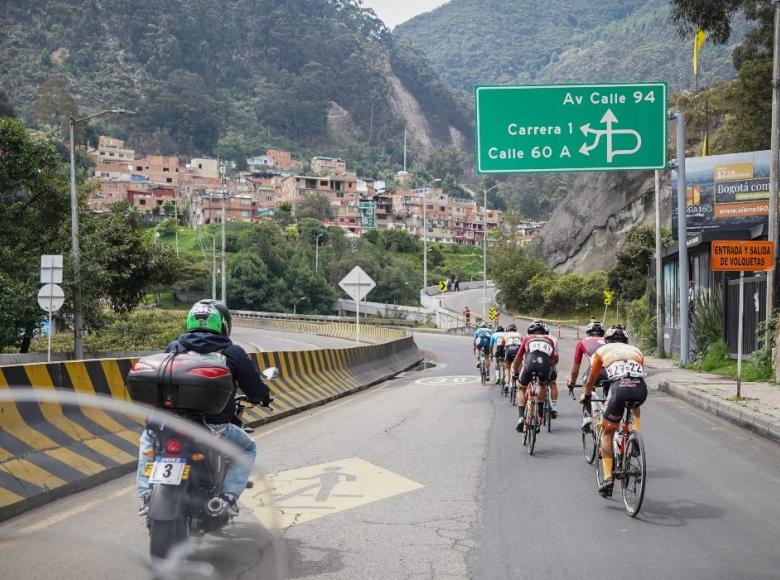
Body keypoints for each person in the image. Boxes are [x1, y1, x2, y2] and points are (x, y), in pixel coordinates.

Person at [136, 300, 272, 516]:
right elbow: (255, 389)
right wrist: (264, 397)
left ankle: (145, 495)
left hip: (170, 422)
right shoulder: (232, 352)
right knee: (247, 448)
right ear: (223, 325)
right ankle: (227, 497)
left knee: (147, 439)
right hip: (214, 427)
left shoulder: (174, 347)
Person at [578, 325, 647, 497]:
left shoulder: (602, 351)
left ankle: (608, 478)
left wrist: (586, 394)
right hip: (640, 389)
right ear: (626, 341)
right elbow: (635, 373)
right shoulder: (636, 351)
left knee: (607, 433)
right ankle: (634, 435)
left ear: (606, 340)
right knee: (634, 405)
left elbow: (592, 378)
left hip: (619, 389)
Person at [511, 320, 559, 433]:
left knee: (522, 387)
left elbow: (518, 358)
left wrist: (514, 371)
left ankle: (521, 417)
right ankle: (540, 413)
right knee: (542, 384)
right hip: (545, 365)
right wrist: (550, 371)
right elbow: (554, 360)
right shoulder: (550, 340)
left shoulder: (528, 338)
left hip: (529, 364)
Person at [567, 321, 607, 395]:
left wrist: (572, 382)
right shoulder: (609, 341)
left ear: (588, 333)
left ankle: (587, 403)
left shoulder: (582, 342)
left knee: (586, 383)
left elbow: (575, 370)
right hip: (612, 371)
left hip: (596, 371)